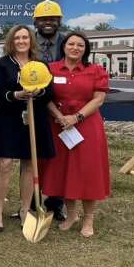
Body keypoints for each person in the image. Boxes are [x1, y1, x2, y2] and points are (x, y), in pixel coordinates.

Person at [43, 32, 110, 238]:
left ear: (86, 49)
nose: (75, 48)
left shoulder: (96, 70)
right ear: (63, 47)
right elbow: (44, 97)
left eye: (80, 45)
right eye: (71, 44)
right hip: (59, 126)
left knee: (87, 172)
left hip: (86, 126)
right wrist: (60, 116)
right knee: (65, 171)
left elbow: (98, 99)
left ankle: (88, 219)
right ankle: (71, 215)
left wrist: (76, 117)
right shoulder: (51, 69)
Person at [0, 25, 56, 231]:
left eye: (25, 37)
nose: (21, 41)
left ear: (31, 40)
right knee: (5, 163)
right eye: (17, 38)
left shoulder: (41, 64)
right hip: (9, 118)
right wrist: (16, 95)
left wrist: (38, 93)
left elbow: (50, 92)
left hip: (34, 117)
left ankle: (25, 210)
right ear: (11, 41)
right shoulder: (2, 65)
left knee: (29, 163)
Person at [32, 0, 66, 220]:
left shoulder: (67, 43)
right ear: (36, 21)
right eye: (43, 19)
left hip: (60, 109)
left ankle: (55, 203)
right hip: (32, 107)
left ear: (59, 21)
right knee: (31, 158)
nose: (48, 22)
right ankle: (31, 203)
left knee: (58, 158)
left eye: (52, 18)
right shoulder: (28, 42)